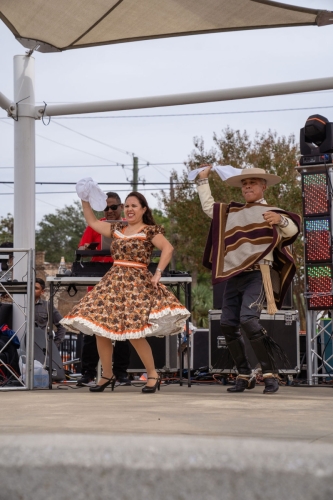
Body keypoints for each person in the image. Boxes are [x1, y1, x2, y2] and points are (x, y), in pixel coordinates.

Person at [61, 191, 190, 393]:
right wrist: (85, 199)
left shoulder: (149, 230)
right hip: (113, 281)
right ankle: (107, 374)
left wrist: (157, 273)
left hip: (136, 283)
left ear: (143, 209)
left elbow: (168, 248)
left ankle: (153, 375)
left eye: (134, 206)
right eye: (127, 205)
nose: (129, 209)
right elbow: (93, 222)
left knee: (134, 333)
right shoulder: (118, 228)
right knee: (100, 329)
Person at [196, 166, 301, 394]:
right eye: (244, 184)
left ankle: (270, 373)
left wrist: (281, 220)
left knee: (249, 320)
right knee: (226, 324)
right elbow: (208, 208)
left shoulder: (271, 211)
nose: (247, 187)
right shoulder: (233, 212)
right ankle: (245, 374)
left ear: (263, 186)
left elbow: (293, 229)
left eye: (252, 183)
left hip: (258, 273)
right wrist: (203, 181)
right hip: (235, 274)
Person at [76, 192, 131, 386]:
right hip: (98, 284)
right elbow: (81, 249)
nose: (109, 211)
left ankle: (121, 373)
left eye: (113, 207)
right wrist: (89, 248)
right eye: (105, 208)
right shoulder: (96, 225)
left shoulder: (128, 226)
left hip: (121, 284)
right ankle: (88, 372)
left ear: (121, 207)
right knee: (93, 331)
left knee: (123, 331)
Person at [35, 278, 67, 349]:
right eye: (30, 288)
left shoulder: (47, 306)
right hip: (22, 344)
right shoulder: (20, 304)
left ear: (42, 291)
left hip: (41, 346)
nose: (32, 290)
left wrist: (54, 346)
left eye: (36, 288)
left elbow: (62, 325)